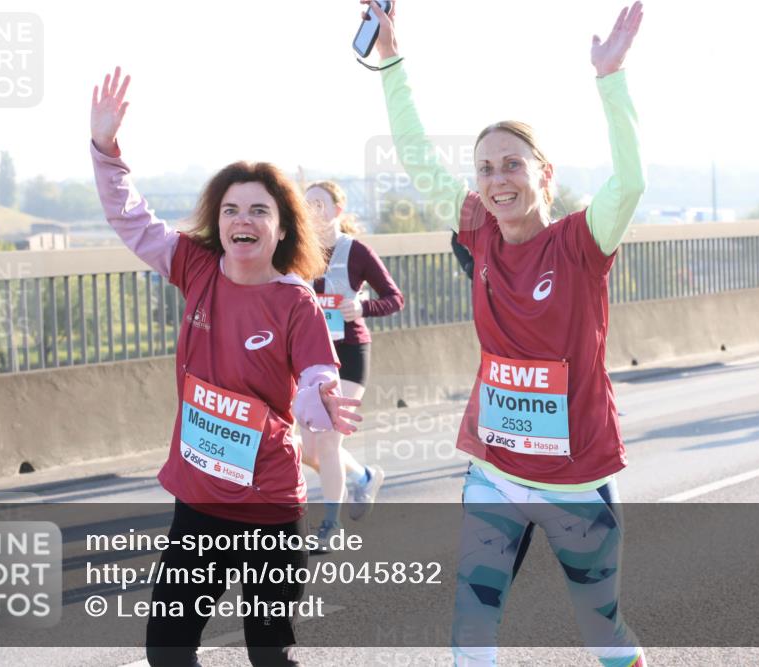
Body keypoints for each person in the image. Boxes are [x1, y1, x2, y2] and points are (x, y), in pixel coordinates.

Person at [363, 1, 647, 665]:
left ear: (544, 173)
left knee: (604, 637)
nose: (497, 181)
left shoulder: (582, 241)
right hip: (495, 469)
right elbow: (416, 157)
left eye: (512, 165)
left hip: (575, 476)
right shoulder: (478, 232)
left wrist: (611, 79)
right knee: (472, 628)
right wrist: (392, 61)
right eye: (486, 169)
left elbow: (631, 181)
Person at [90, 67, 361, 667]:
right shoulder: (194, 267)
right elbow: (130, 218)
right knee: (167, 652)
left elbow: (318, 372)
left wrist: (320, 399)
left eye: (259, 210)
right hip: (199, 503)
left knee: (269, 656)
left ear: (281, 228)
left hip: (268, 507)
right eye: (232, 209)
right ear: (218, 221)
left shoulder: (295, 301)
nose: (243, 220)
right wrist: (106, 149)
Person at [299, 181, 404, 548]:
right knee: (310, 451)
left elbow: (394, 298)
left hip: (349, 354)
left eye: (320, 203)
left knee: (328, 440)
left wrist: (361, 307)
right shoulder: (295, 250)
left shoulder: (356, 251)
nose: (313, 210)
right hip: (311, 358)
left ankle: (331, 525)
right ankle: (363, 477)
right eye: (307, 204)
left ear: (337, 210)